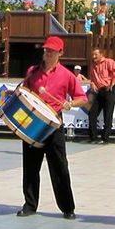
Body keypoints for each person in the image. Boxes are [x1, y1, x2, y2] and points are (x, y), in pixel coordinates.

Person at [16, 35, 88, 219]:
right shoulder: (33, 71)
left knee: (60, 167)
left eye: (51, 51)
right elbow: (23, 91)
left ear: (60, 53)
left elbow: (82, 98)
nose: (47, 53)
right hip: (34, 123)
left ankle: (68, 208)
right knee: (30, 166)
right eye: (46, 50)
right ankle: (30, 205)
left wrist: (70, 104)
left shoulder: (67, 75)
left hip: (54, 124)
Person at [86, 47, 115, 144]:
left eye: (96, 55)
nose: (94, 57)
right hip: (98, 91)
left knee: (107, 114)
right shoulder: (93, 65)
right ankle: (93, 137)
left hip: (109, 90)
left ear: (101, 54)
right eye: (93, 55)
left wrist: (112, 82)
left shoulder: (108, 62)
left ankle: (105, 138)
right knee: (92, 112)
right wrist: (92, 84)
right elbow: (92, 78)